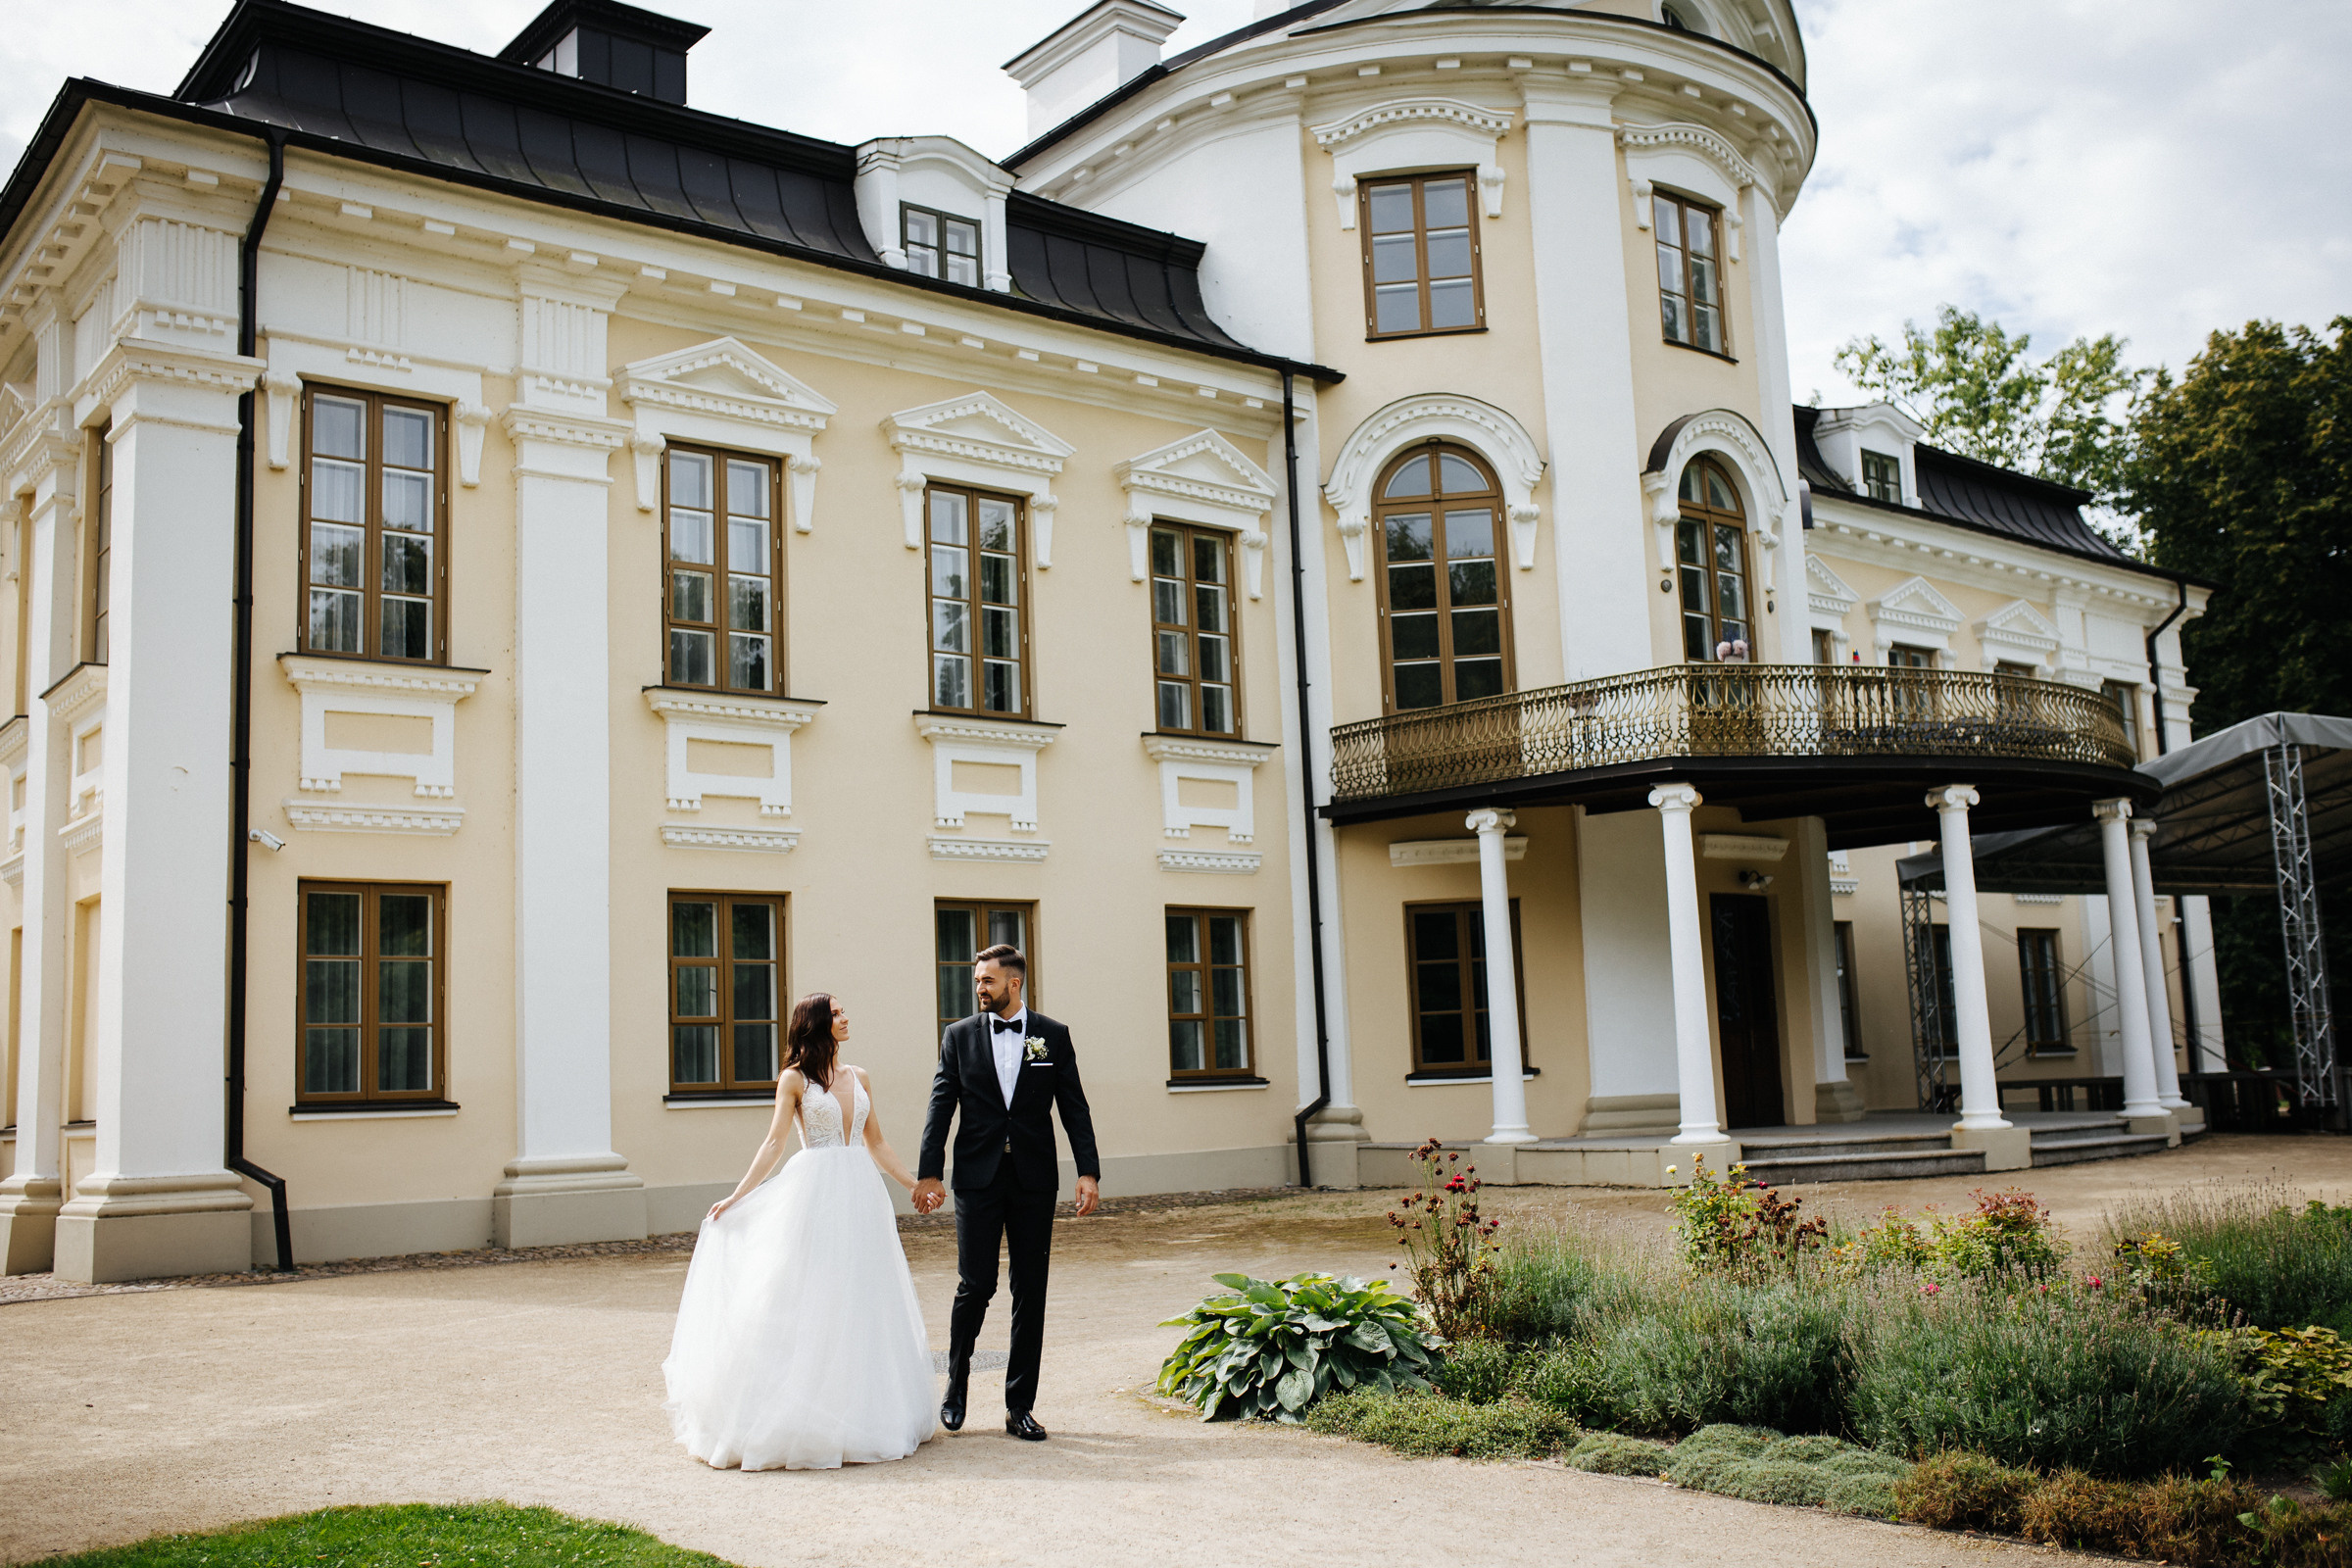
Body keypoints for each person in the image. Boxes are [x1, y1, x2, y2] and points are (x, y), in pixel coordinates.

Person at [662, 992, 936, 1470]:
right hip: (815, 1194)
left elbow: (878, 1143)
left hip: (861, 1196)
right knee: (808, 1294)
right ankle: (802, 1413)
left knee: (863, 1296)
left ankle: (868, 1411)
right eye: (835, 1013)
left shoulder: (861, 1076)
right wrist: (737, 1196)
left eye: (844, 1011)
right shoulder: (794, 1080)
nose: (846, 1017)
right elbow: (774, 1142)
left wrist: (918, 1186)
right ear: (814, 1023)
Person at [913, 944, 1101, 1442]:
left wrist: (1088, 1171)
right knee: (975, 1285)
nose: (979, 988)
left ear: (1013, 983)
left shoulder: (1051, 1036)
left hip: (1034, 1180)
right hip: (977, 1178)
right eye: (977, 980)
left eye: (988, 981)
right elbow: (940, 1107)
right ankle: (955, 1385)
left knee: (1030, 1290)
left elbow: (1073, 1107)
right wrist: (929, 1172)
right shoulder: (957, 1037)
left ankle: (1020, 1406)